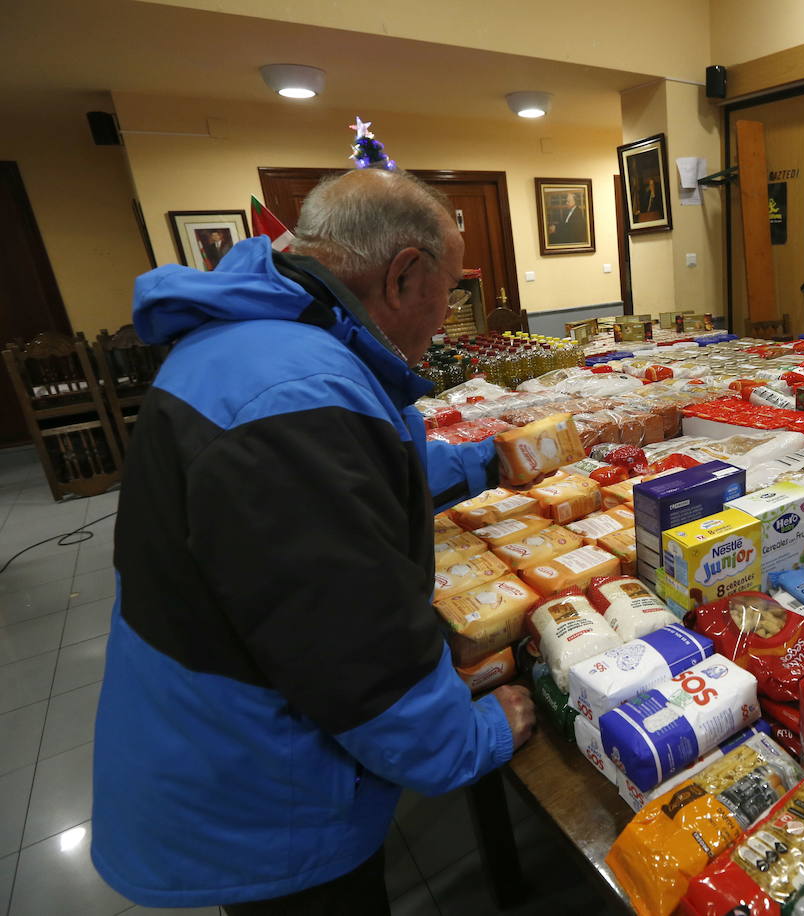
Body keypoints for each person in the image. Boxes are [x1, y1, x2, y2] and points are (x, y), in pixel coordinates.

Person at [91, 168, 535, 914]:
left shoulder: (273, 338)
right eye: (450, 291)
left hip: (211, 722)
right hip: (260, 788)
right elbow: (356, 647)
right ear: (403, 275)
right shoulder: (295, 395)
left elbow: (357, 480)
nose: (447, 319)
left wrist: (485, 461)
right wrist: (473, 737)